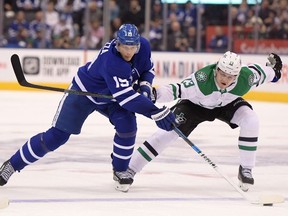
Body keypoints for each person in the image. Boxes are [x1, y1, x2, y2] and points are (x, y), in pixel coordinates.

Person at [0, 24, 176, 192]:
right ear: (117, 43)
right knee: (57, 136)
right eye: (125, 47)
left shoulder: (144, 46)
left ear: (138, 44)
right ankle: (12, 165)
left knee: (128, 126)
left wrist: (145, 87)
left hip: (112, 96)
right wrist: (156, 112)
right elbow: (127, 99)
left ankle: (120, 170)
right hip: (83, 94)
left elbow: (148, 69)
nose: (129, 52)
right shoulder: (112, 61)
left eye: (132, 47)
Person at [128, 51, 283, 192]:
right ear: (216, 69)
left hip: (227, 105)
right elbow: (175, 89)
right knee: (166, 133)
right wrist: (153, 93)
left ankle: (246, 169)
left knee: (251, 120)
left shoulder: (246, 77)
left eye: (230, 77)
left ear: (237, 75)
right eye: (222, 74)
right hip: (195, 106)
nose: (225, 79)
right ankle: (129, 169)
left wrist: (275, 73)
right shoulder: (201, 80)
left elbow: (265, 73)